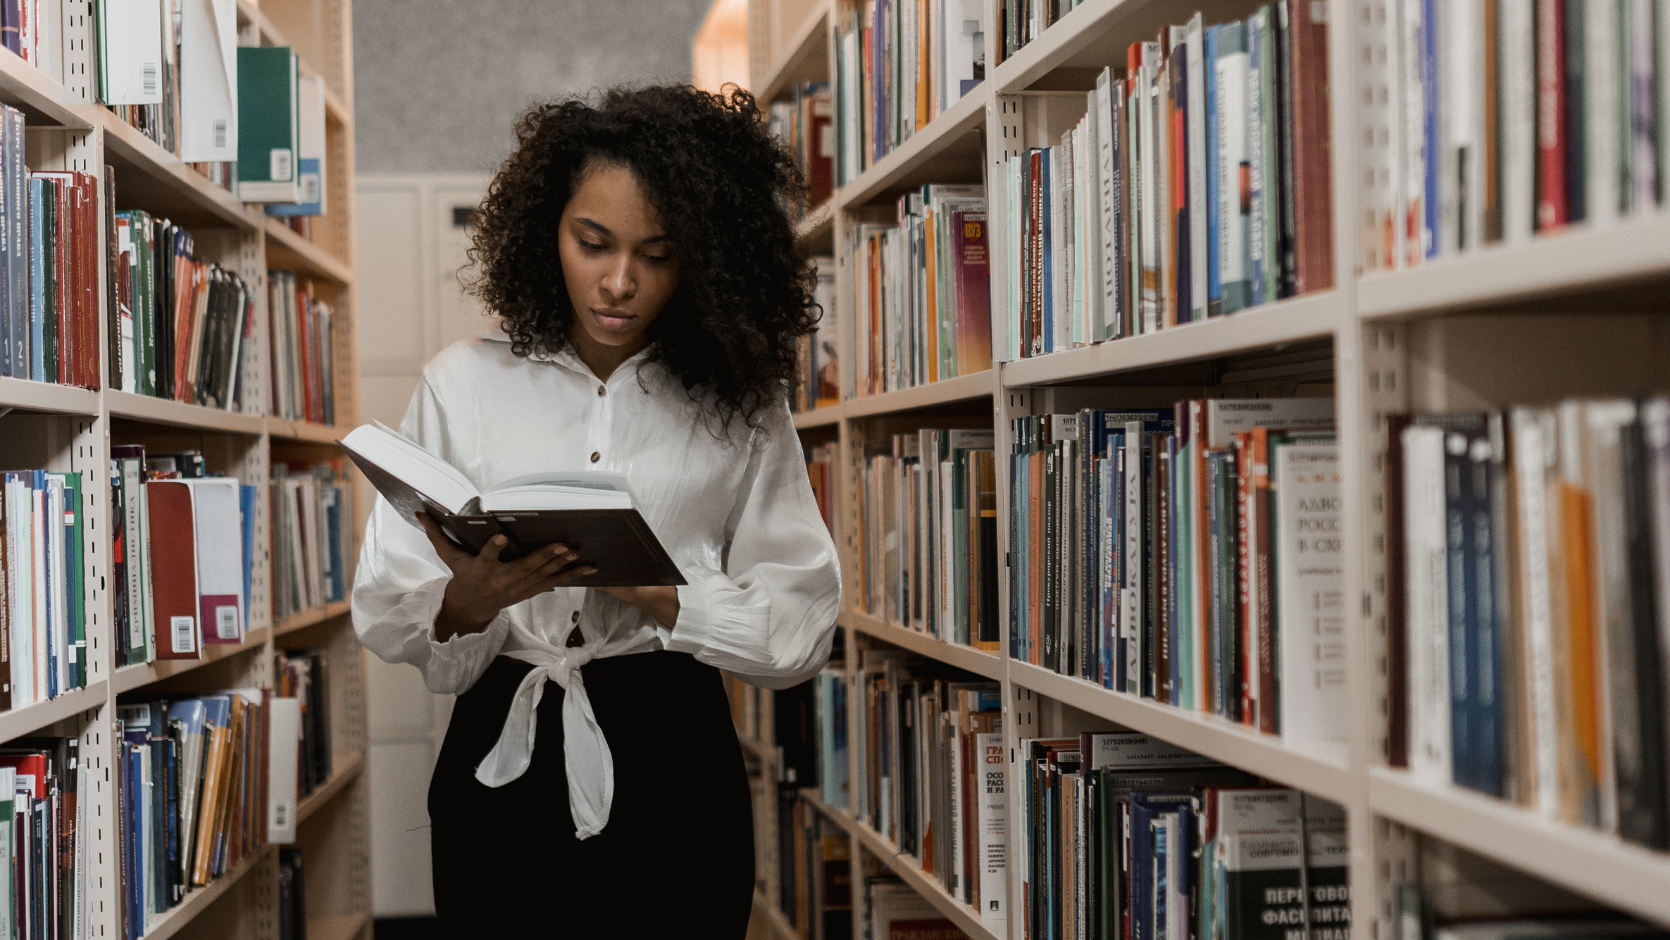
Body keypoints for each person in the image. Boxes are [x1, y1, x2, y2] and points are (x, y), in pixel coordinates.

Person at [351, 84, 841, 937]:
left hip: (675, 749)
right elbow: (393, 599)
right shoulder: (462, 382)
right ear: (549, 233)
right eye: (594, 243)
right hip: (503, 740)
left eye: (658, 253)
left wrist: (663, 597)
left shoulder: (739, 404)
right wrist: (469, 602)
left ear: (704, 259)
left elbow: (802, 620)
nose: (620, 282)